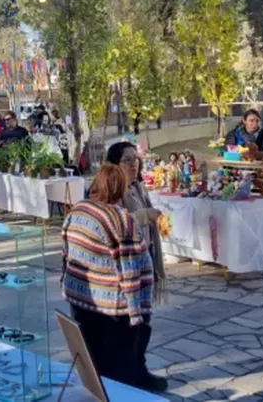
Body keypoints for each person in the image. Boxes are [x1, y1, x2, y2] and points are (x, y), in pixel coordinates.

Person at [60, 164, 166, 394]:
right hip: (114, 309)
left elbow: (66, 252)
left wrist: (65, 284)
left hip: (81, 302)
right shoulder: (119, 219)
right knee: (119, 375)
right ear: (120, 189)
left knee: (95, 366)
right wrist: (135, 312)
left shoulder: (78, 210)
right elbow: (128, 267)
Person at [106, 142, 166, 300]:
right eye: (127, 160)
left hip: (145, 256)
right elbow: (112, 225)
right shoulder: (110, 191)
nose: (134, 164)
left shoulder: (137, 187)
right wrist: (145, 215)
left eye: (136, 159)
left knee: (144, 312)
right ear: (114, 165)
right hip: (126, 265)